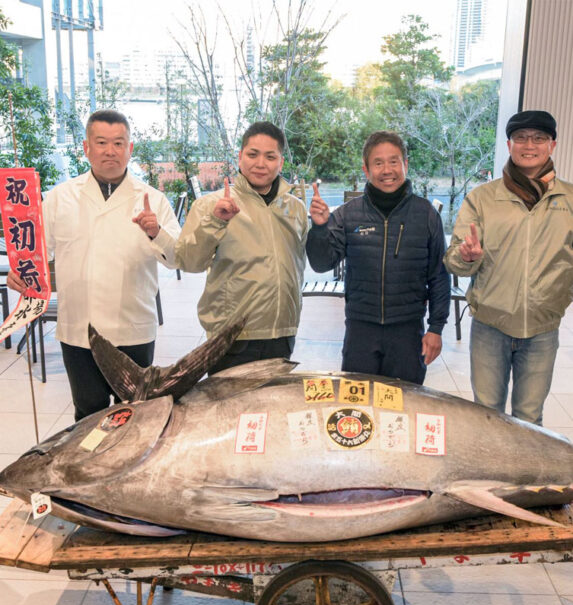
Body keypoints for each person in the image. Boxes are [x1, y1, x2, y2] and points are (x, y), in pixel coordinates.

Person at [7, 109, 181, 421]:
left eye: (118, 143)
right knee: (88, 414)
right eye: (101, 142)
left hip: (133, 328)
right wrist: (20, 275)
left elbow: (179, 257)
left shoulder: (153, 199)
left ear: (130, 149)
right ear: (86, 147)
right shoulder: (60, 198)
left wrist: (156, 232)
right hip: (78, 330)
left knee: (136, 415)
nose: (110, 151)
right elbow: (35, 255)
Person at [444, 110, 573, 425]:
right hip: (491, 325)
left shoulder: (569, 199)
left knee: (530, 417)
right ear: (509, 144)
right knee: (487, 414)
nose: (530, 145)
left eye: (539, 138)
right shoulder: (483, 198)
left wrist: (562, 296)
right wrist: (468, 256)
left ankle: (525, 476)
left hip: (543, 327)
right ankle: (492, 475)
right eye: (521, 138)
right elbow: (454, 261)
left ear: (552, 145)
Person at [306, 130, 450, 384]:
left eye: (394, 161)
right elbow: (320, 264)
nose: (387, 170)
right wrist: (319, 228)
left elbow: (439, 276)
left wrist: (436, 328)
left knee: (403, 409)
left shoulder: (425, 214)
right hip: (361, 329)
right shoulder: (348, 214)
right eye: (378, 163)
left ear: (405, 165)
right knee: (358, 411)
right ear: (366, 169)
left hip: (407, 330)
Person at [175, 121, 308, 373]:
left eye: (270, 156)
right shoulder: (211, 205)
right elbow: (189, 262)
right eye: (252, 154)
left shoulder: (296, 208)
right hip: (232, 337)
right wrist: (215, 221)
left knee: (272, 410)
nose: (260, 163)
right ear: (240, 157)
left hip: (282, 332)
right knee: (229, 410)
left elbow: (298, 266)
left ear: (280, 162)